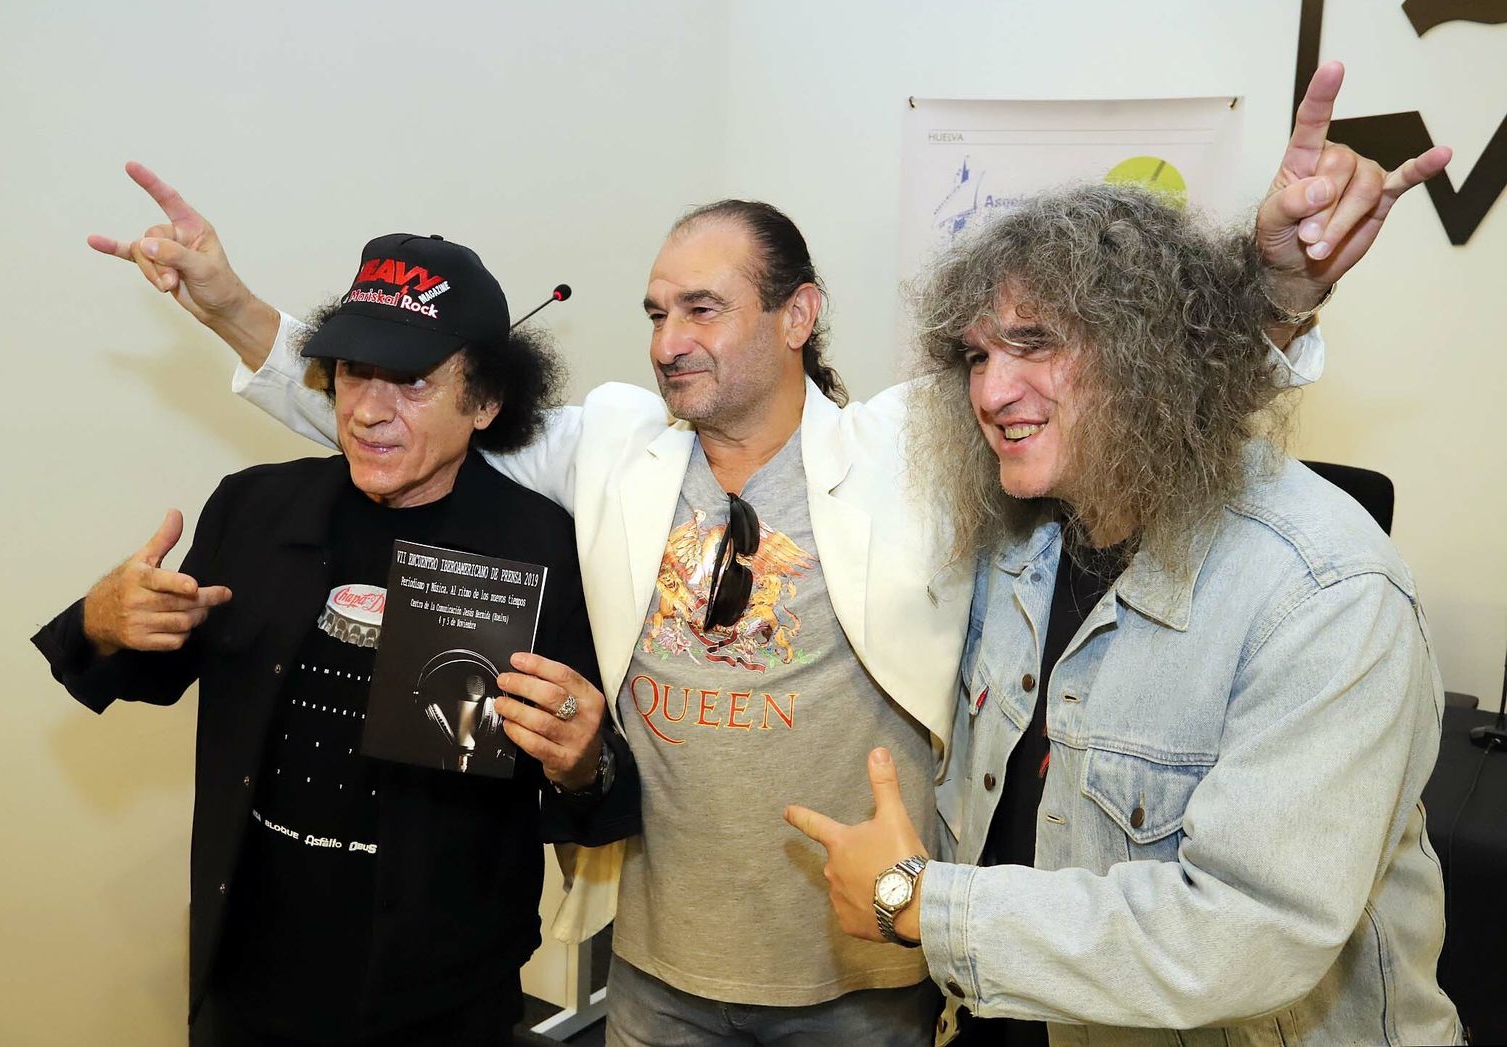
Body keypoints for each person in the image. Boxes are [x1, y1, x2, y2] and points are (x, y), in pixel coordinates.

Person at [86, 63, 1446, 1046]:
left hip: (861, 971)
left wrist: (1273, 293)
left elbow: (1107, 398)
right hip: (662, 969)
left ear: (797, 315)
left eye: (704, 305)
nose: (671, 335)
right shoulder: (612, 444)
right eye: (655, 309)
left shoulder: (922, 442)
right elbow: (410, 425)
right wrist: (230, 307)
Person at [784, 182, 1462, 1045]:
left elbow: (1246, 930)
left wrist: (923, 901)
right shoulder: (1018, 535)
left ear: (1147, 354)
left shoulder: (1327, 591)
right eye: (978, 357)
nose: (992, 391)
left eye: (1033, 344)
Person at [32, 233, 640, 1046]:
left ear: (487, 400)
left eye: (414, 381)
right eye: (353, 372)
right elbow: (134, 675)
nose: (367, 409)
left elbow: (601, 794)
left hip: (447, 999)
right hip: (249, 980)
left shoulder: (545, 551)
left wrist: (583, 757)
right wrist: (101, 618)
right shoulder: (253, 512)